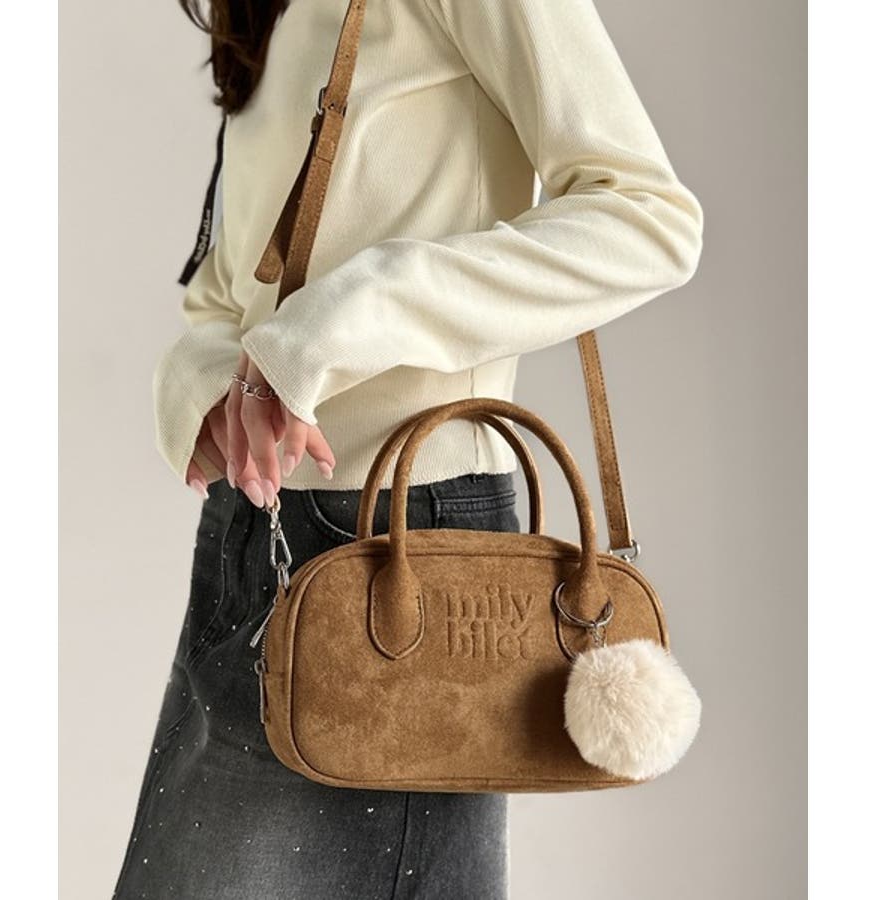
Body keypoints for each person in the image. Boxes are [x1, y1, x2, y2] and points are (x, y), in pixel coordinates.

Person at [112, 0, 704, 897]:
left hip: (405, 542)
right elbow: (228, 295)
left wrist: (331, 328)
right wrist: (205, 394)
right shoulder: (262, 8)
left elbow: (649, 218)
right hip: (250, 535)